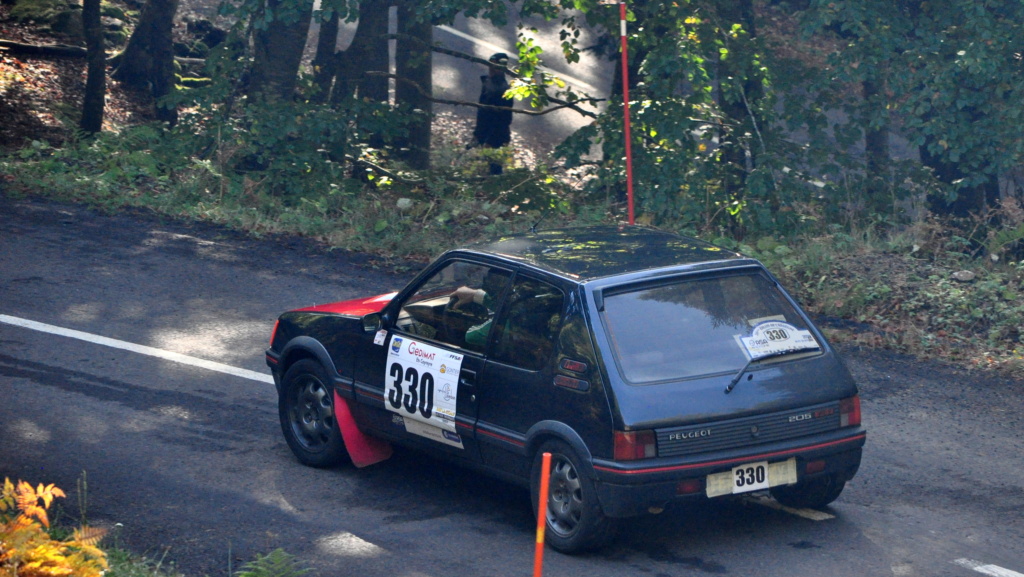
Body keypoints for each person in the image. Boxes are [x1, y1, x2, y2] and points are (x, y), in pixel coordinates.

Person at [472, 53, 514, 175]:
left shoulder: (498, 90)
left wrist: (480, 136)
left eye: (493, 65)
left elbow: (488, 116)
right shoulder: (489, 83)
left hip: (496, 135)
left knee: (494, 168)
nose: (490, 68)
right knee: (492, 164)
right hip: (495, 134)